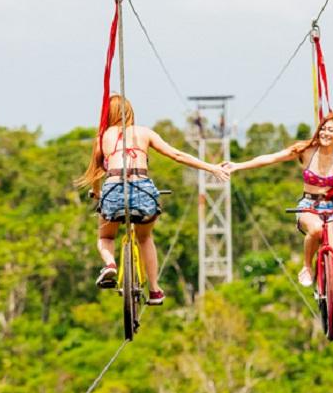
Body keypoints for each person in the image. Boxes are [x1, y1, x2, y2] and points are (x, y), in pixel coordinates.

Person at [76, 94, 229, 305]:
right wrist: (211, 167)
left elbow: (95, 173)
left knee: (106, 237)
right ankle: (155, 290)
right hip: (143, 191)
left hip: (112, 189)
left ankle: (110, 264)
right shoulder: (145, 133)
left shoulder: (102, 137)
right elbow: (177, 155)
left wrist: (97, 193)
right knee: (145, 238)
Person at [224, 113, 333, 320]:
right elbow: (271, 158)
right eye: (322, 128)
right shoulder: (306, 150)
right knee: (315, 230)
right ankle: (307, 267)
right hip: (309, 205)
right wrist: (238, 165)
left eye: (330, 130)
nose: (325, 133)